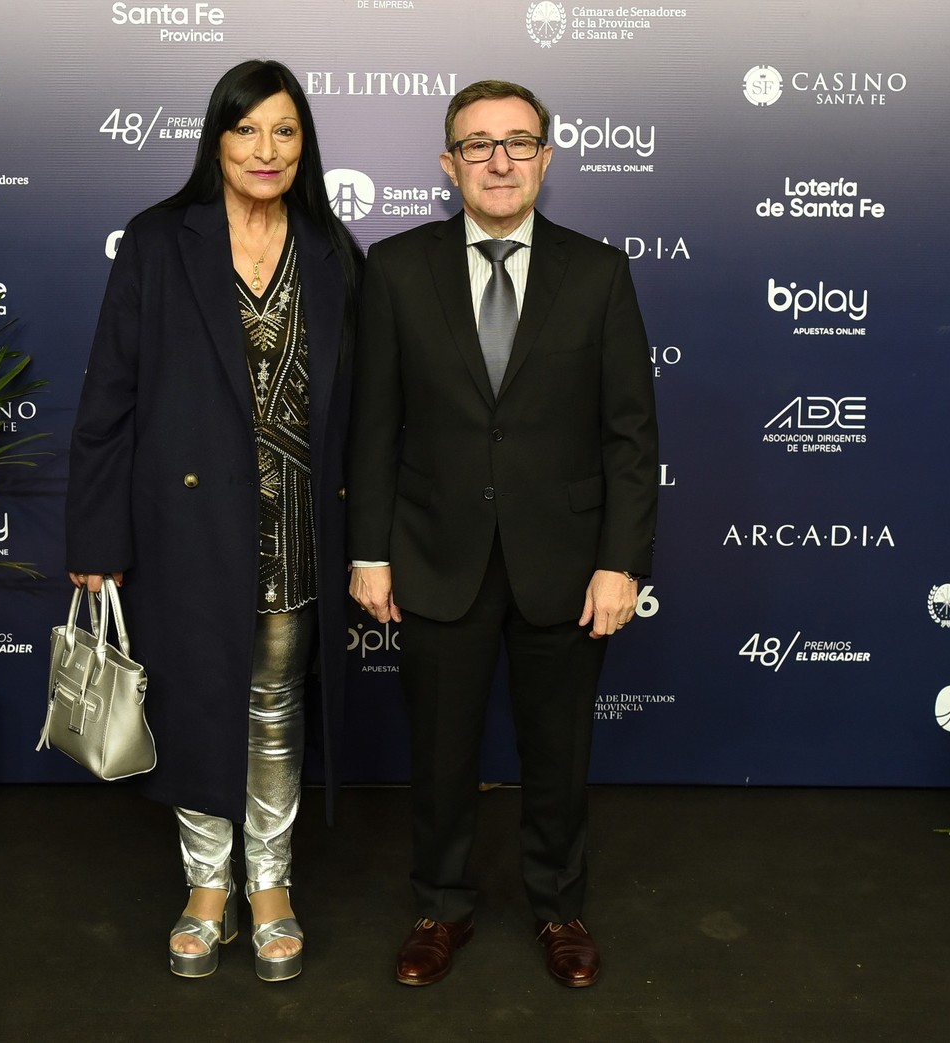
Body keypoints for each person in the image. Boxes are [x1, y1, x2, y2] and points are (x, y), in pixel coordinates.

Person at [347, 79, 659, 988]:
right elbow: (373, 426)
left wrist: (620, 562)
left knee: (558, 754)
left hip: (565, 563)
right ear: (448, 164)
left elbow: (630, 436)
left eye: (518, 142)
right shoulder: (395, 268)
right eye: (477, 144)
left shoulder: (598, 272)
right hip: (434, 554)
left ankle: (559, 907)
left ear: (545, 158)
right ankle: (440, 907)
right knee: (440, 755)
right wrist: (370, 550)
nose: (498, 161)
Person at [66, 58, 361, 982]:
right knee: (198, 705)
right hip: (187, 529)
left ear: (304, 143)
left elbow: (362, 409)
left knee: (274, 707)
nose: (265, 149)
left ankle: (268, 882)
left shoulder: (332, 249)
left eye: (284, 130)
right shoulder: (160, 240)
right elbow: (109, 398)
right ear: (217, 139)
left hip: (297, 528)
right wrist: (97, 536)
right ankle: (206, 886)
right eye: (246, 130)